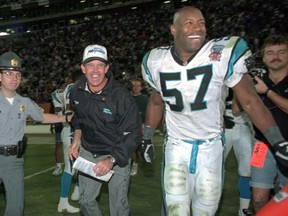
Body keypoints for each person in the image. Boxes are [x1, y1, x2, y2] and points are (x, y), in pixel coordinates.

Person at [140, 6, 288, 216]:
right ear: (173, 29)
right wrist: (146, 136)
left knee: (206, 211)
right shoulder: (156, 61)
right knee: (176, 210)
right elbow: (157, 101)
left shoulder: (222, 53)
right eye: (189, 23)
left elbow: (250, 101)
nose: (197, 28)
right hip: (176, 145)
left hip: (211, 146)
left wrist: (277, 140)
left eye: (201, 23)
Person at [68, 44, 142, 216]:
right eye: (90, 65)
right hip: (89, 152)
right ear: (83, 68)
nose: (95, 70)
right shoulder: (77, 91)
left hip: (116, 153)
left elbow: (133, 133)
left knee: (118, 208)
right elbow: (78, 118)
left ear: (106, 68)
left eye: (100, 65)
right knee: (85, 201)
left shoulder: (120, 96)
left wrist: (111, 159)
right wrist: (76, 140)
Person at [0, 51, 72, 216]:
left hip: (14, 162)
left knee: (16, 208)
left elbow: (42, 116)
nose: (14, 78)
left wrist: (65, 118)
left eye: (17, 74)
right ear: (0, 76)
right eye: (9, 73)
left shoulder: (24, 102)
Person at [250, 34, 288, 213]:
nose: (276, 56)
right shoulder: (258, 80)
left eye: (281, 52)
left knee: (283, 199)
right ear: (263, 58)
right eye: (270, 53)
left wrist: (267, 92)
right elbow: (236, 110)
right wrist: (241, 82)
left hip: (287, 146)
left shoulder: (264, 86)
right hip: (262, 146)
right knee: (258, 198)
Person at [224, 89, 254, 216]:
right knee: (212, 169)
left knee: (247, 170)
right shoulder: (218, 71)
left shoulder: (248, 76)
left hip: (244, 123)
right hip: (221, 125)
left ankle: (243, 211)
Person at [57, 70, 83, 213]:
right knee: (69, 167)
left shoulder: (69, 88)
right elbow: (69, 110)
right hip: (72, 131)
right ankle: (63, 202)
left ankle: (77, 192)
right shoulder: (74, 87)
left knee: (80, 164)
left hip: (71, 130)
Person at [130, 77, 148, 176]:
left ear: (141, 88)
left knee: (137, 147)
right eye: (134, 85)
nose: (135, 87)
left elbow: (146, 114)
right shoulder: (128, 98)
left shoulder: (144, 99)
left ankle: (136, 163)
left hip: (140, 126)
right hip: (128, 126)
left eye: (138, 86)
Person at [50, 86, 65, 176]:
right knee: (58, 144)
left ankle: (72, 166)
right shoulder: (58, 93)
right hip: (59, 120)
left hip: (66, 120)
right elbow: (55, 109)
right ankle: (58, 166)